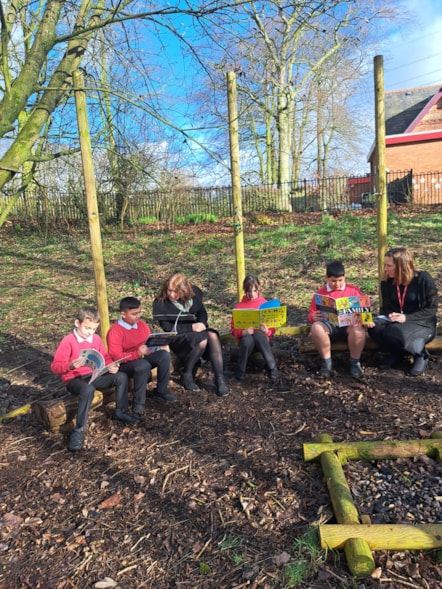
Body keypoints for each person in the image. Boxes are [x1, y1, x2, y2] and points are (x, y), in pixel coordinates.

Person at [51, 306, 140, 452]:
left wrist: (111, 366)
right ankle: (79, 430)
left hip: (94, 375)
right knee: (88, 389)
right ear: (77, 323)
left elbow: (104, 357)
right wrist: (70, 365)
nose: (89, 333)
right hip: (75, 378)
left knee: (121, 377)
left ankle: (120, 411)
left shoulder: (96, 339)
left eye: (93, 329)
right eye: (87, 328)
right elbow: (55, 367)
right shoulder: (68, 341)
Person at [153, 273, 229, 397]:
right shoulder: (161, 303)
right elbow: (167, 327)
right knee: (202, 339)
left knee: (212, 335)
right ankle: (187, 372)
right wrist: (191, 327)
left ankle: (220, 379)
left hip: (196, 331)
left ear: (183, 290)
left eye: (175, 291)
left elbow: (202, 312)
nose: (171, 294)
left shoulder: (194, 297)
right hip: (177, 335)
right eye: (169, 290)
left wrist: (202, 323)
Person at [368, 247, 438, 376]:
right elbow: (387, 308)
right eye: (385, 265)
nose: (385, 269)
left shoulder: (423, 279)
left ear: (401, 266)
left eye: (389, 266)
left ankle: (420, 354)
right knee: (374, 327)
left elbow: (431, 309)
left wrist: (407, 318)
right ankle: (397, 352)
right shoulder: (386, 283)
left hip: (421, 323)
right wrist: (390, 315)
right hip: (397, 322)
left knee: (395, 332)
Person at [107, 296, 177, 412]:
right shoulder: (115, 331)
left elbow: (148, 342)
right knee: (142, 365)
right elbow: (116, 356)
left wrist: (160, 345)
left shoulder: (142, 325)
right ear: (123, 314)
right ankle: (138, 402)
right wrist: (136, 353)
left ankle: (161, 391)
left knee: (163, 355)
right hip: (125, 364)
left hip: (142, 357)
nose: (138, 316)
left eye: (139, 312)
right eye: (134, 314)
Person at [308, 260, 371, 378]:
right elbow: (311, 313)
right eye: (333, 281)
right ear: (326, 278)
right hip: (329, 326)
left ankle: (354, 362)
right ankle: (326, 363)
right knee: (316, 328)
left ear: (344, 277)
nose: (337, 284)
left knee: (358, 329)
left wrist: (366, 319)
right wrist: (313, 317)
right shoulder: (320, 293)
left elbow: (363, 310)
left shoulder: (353, 290)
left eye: (340, 281)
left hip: (348, 327)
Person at [230, 274, 279, 382]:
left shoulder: (265, 304)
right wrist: (243, 332)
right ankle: (241, 369)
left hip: (262, 340)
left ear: (259, 289)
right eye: (249, 291)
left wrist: (267, 330)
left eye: (254, 291)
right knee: (248, 339)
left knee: (258, 335)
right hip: (246, 343)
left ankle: (272, 367)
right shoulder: (239, 307)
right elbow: (234, 329)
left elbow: (273, 326)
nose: (252, 294)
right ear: (245, 291)